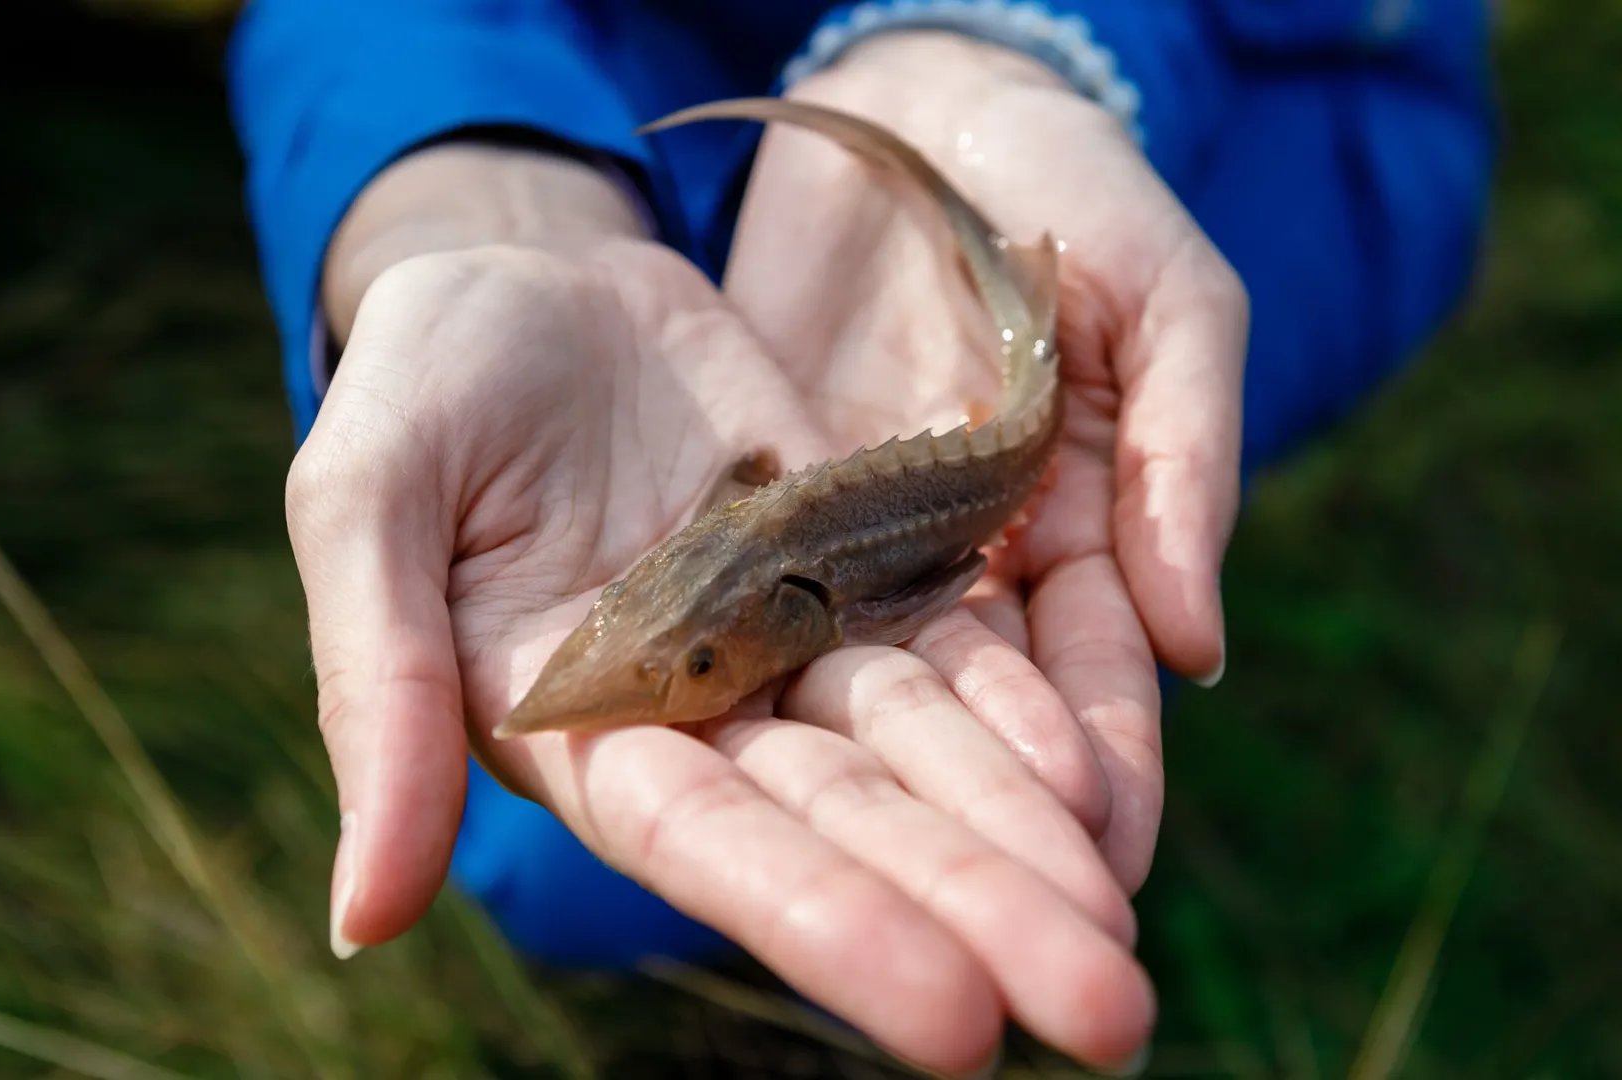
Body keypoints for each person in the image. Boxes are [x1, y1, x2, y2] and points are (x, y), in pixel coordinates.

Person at [226, 2, 1494, 1075]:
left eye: (707, 663)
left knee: (1021, 746)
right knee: (552, 852)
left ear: (801, 607)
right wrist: (463, 179)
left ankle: (891, 1003)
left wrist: (1006, 41)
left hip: (1280, 94)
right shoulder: (727, 550)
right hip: (617, 102)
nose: (682, 672)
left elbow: (938, 566)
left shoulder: (865, 568)